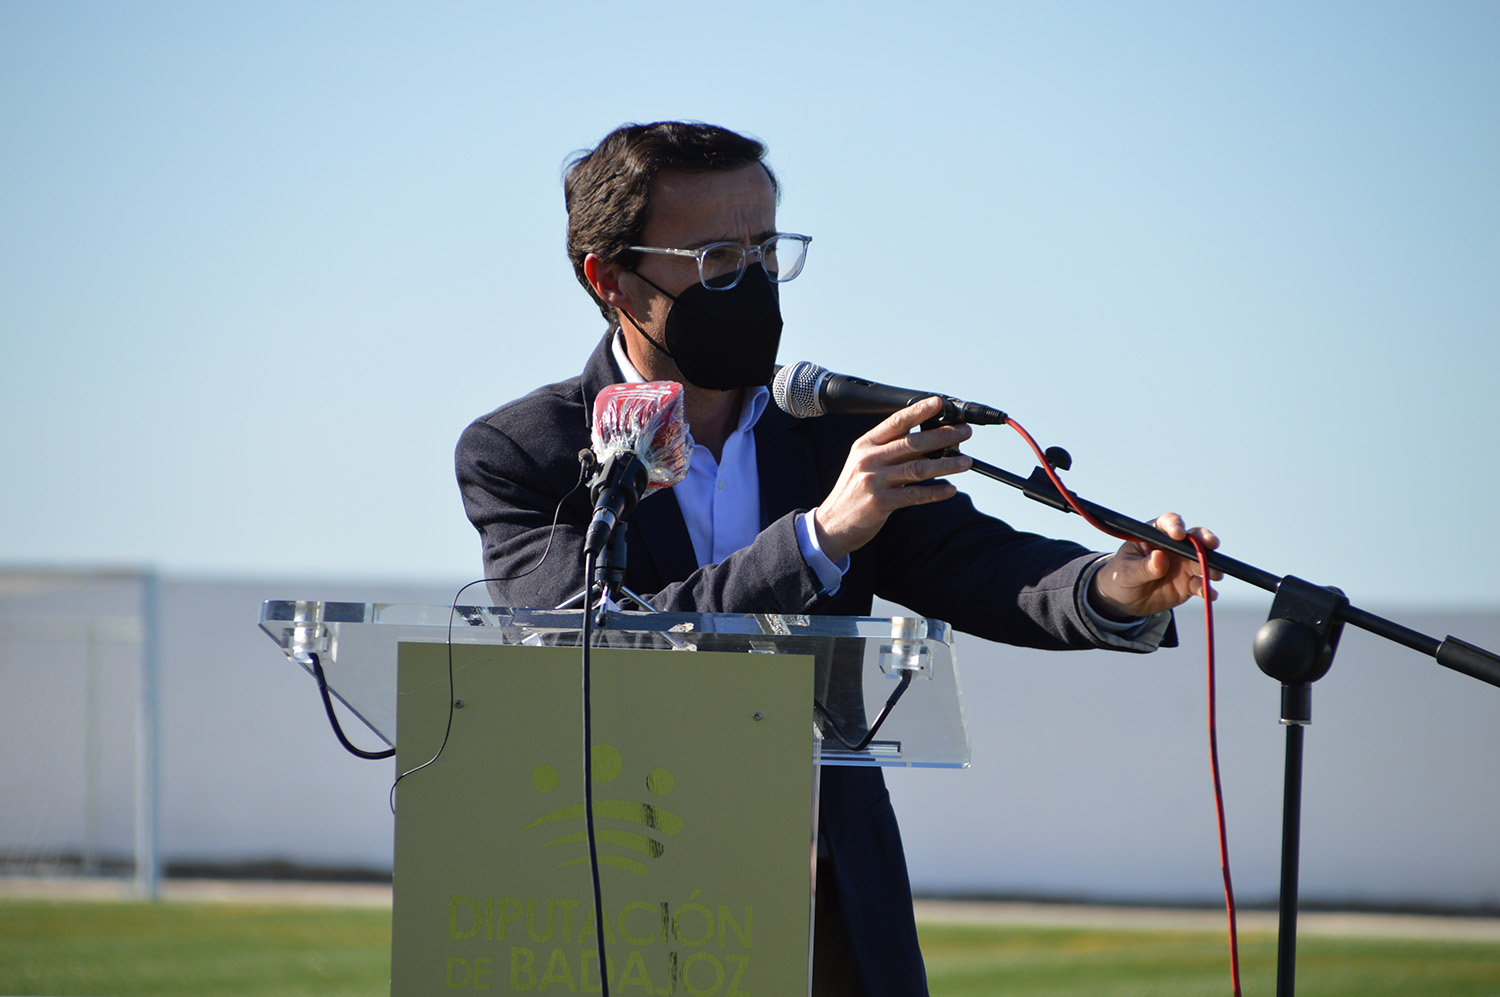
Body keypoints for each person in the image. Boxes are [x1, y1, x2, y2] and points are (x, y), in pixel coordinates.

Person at [455, 121, 1218, 996]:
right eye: (715, 258)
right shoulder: (526, 452)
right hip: (616, 887)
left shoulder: (832, 431)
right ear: (611, 275)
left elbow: (978, 563)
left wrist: (1118, 585)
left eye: (766, 251)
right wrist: (816, 540)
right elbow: (588, 641)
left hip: (829, 896)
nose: (750, 281)